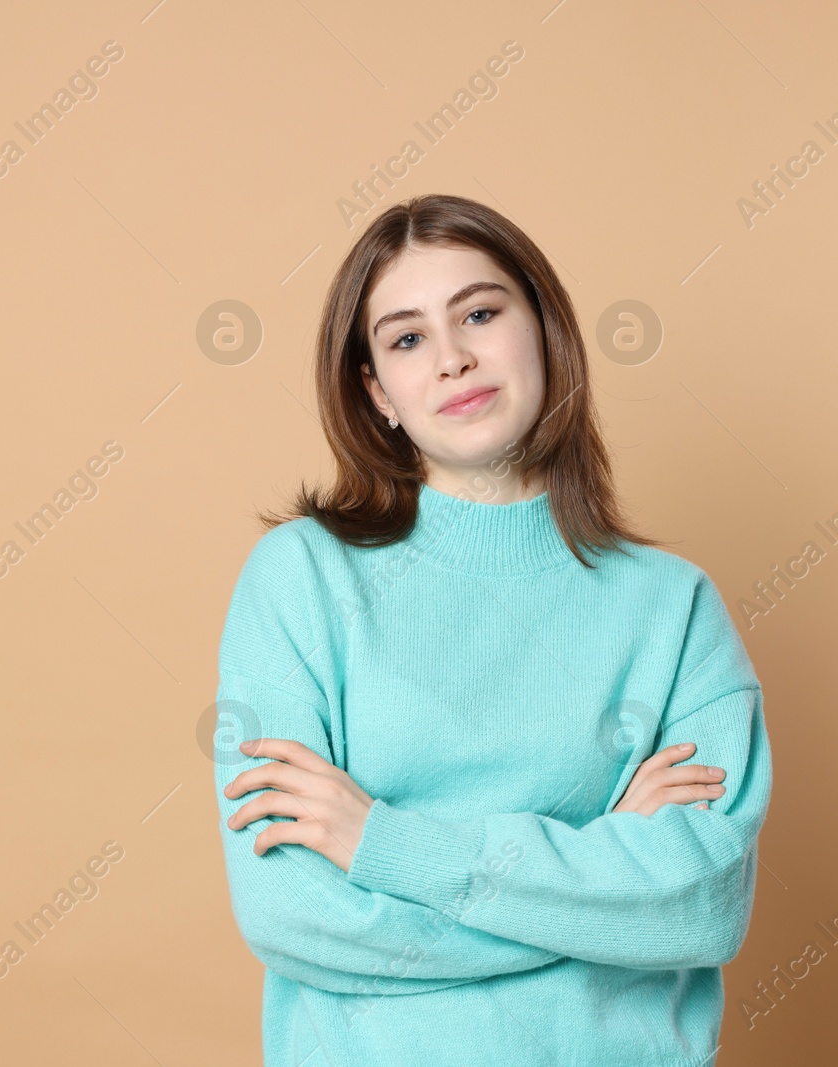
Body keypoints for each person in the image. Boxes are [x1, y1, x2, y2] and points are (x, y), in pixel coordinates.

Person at [210, 192, 772, 1066]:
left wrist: (383, 844)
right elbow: (294, 914)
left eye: (479, 312)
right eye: (406, 338)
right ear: (378, 392)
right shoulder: (301, 580)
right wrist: (593, 878)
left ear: (543, 331)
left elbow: (699, 906)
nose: (453, 358)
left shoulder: (674, 608)